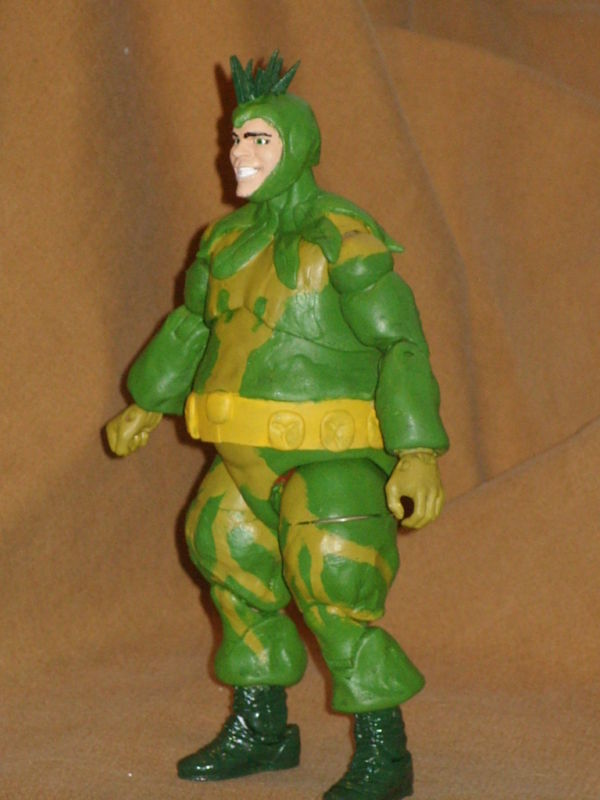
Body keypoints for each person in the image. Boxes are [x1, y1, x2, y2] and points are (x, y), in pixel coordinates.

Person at [106, 51, 449, 800]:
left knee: (335, 580)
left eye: (258, 138)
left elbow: (400, 342)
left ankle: (385, 752)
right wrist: (146, 402)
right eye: (236, 137)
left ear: (297, 146)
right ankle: (263, 730)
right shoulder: (224, 243)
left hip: (331, 458)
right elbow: (192, 327)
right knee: (226, 556)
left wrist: (418, 449)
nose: (240, 152)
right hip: (239, 459)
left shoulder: (343, 236)